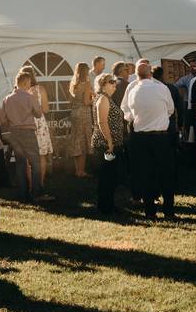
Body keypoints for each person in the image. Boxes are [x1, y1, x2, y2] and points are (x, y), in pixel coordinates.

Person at [122, 63, 176, 218]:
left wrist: (133, 117)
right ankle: (169, 211)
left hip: (140, 137)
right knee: (166, 174)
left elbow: (126, 111)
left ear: (137, 76)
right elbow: (171, 110)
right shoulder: (162, 88)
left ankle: (149, 211)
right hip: (161, 137)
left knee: (145, 174)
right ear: (151, 74)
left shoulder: (132, 90)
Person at [0, 71, 51, 203]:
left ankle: (23, 194)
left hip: (14, 133)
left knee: (20, 164)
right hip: (27, 131)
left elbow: (3, 119)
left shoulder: (7, 99)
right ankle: (37, 193)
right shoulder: (30, 97)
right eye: (29, 83)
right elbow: (39, 114)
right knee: (35, 163)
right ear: (26, 82)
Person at [92, 73, 127, 215]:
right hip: (105, 145)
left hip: (110, 144)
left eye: (114, 81)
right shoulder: (103, 99)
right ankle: (105, 207)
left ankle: (108, 205)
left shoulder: (107, 99)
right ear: (102, 85)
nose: (114, 84)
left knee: (111, 176)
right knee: (107, 176)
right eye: (110, 82)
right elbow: (102, 122)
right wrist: (110, 142)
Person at [21, 67, 53, 187]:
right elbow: (46, 109)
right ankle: (40, 184)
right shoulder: (40, 89)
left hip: (25, 124)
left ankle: (30, 186)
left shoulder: (19, 91)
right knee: (41, 156)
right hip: (39, 124)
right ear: (33, 75)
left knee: (29, 157)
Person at [68, 63, 94, 178]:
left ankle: (77, 170)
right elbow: (86, 102)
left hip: (74, 113)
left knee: (76, 140)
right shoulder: (87, 84)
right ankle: (81, 171)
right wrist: (94, 100)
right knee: (83, 141)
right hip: (84, 113)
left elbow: (71, 101)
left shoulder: (73, 84)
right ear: (86, 71)